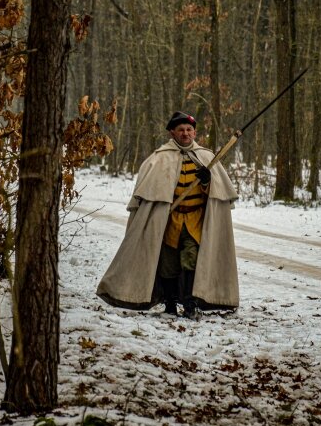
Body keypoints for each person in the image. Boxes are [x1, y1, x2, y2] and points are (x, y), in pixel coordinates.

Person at [97, 111, 239, 319]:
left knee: (190, 260)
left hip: (195, 220)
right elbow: (146, 196)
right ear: (172, 132)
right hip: (169, 220)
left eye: (189, 130)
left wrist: (207, 180)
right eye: (180, 130)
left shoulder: (207, 158)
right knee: (168, 263)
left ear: (194, 132)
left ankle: (190, 304)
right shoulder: (158, 159)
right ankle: (170, 303)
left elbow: (218, 194)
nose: (185, 134)